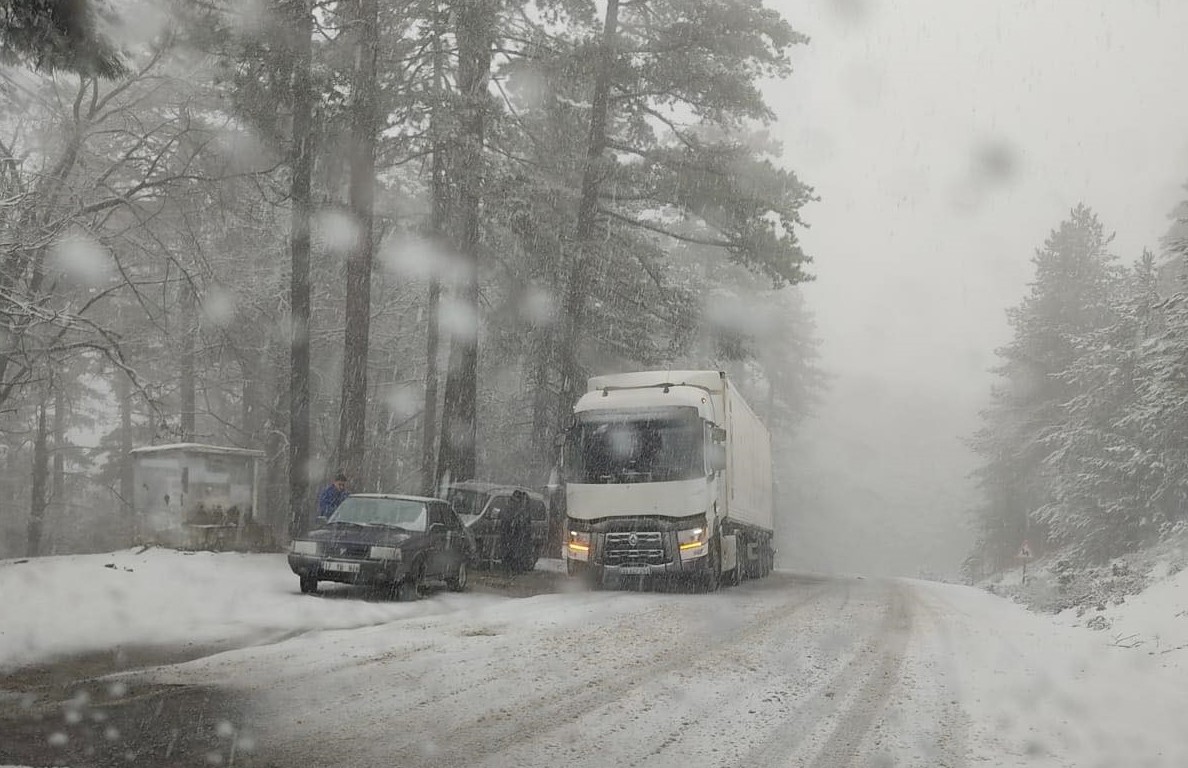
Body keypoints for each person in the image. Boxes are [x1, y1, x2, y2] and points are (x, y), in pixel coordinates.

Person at [499, 490, 532, 572]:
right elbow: (505, 520)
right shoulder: (510, 510)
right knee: (511, 555)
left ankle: (515, 568)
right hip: (511, 537)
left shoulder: (523, 512)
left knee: (515, 555)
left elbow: (525, 525)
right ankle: (511, 568)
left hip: (516, 538)